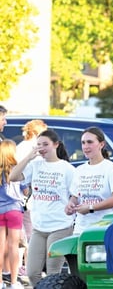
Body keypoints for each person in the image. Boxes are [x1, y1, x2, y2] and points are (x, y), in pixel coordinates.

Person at [9, 130, 75, 287]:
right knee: (32, 273)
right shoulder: (35, 165)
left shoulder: (67, 168)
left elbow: (75, 194)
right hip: (39, 227)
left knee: (53, 272)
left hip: (60, 226)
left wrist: (71, 203)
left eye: (45, 144)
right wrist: (28, 157)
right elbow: (13, 177)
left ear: (56, 145)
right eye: (38, 145)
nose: (41, 148)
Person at [65, 127, 113, 234]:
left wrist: (91, 208)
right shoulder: (79, 170)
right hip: (81, 228)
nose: (86, 146)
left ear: (101, 144)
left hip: (104, 227)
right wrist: (70, 205)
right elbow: (75, 197)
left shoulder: (110, 168)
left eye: (90, 142)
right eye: (83, 143)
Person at [15, 119, 48, 277]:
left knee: (25, 235)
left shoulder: (21, 146)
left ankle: (24, 267)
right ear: (35, 133)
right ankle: (28, 268)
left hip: (22, 197)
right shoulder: (31, 149)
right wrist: (26, 190)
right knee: (30, 234)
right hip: (26, 197)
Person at [0, 140, 26, 289]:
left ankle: (0, 282)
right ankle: (14, 282)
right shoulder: (17, 169)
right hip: (14, 211)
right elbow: (25, 190)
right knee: (13, 247)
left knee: (0, 246)